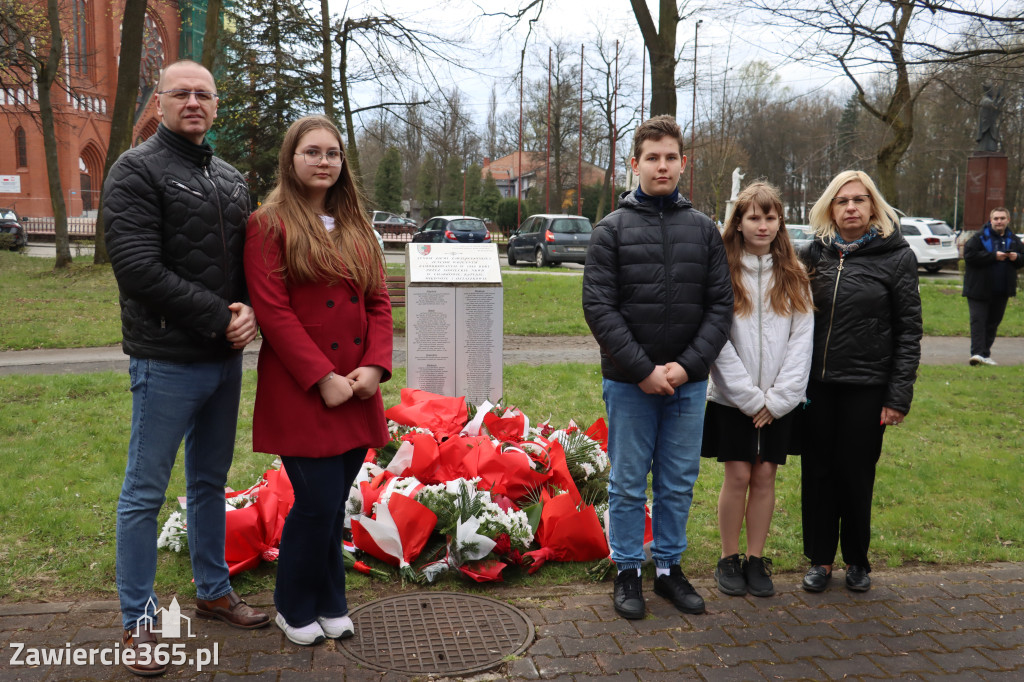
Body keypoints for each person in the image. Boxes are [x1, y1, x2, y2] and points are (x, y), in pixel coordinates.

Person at [104, 59, 269, 676]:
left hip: (222, 361)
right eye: (182, 93)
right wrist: (218, 316)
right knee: (143, 494)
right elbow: (137, 268)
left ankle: (213, 590)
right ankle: (139, 623)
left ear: (216, 105)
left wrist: (248, 309)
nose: (193, 102)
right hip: (168, 358)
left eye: (204, 93)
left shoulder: (228, 178)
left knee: (209, 482)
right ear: (160, 102)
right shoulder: (135, 171)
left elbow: (245, 265)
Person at [244, 115, 392, 646]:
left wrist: (374, 367)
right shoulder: (268, 223)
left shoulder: (355, 224)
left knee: (334, 502)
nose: (324, 161)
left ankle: (331, 601)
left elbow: (378, 301)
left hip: (357, 388)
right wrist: (321, 377)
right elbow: (274, 311)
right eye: (313, 152)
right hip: (303, 390)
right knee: (316, 502)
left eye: (332, 153)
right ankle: (292, 605)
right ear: (291, 158)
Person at [583, 115, 733, 620]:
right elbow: (600, 309)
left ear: (683, 163)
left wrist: (686, 368)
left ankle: (668, 568)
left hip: (687, 385)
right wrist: (645, 370)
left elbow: (720, 307)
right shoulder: (611, 231)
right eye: (652, 157)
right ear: (635, 164)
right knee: (627, 482)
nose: (662, 165)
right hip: (629, 383)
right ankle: (628, 571)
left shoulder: (704, 232)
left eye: (671, 157)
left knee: (676, 482)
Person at [798, 170, 922, 594]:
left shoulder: (897, 256)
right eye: (841, 200)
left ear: (873, 207)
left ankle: (857, 560)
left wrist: (898, 396)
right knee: (817, 473)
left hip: (868, 387)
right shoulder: (813, 255)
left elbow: (909, 330)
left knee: (855, 473)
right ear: (829, 208)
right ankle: (819, 560)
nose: (850, 207)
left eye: (859, 200)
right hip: (816, 386)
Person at [702, 182, 814, 598]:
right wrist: (749, 398)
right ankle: (728, 558)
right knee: (738, 473)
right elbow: (717, 339)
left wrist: (780, 399)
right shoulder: (724, 272)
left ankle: (755, 559)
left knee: (765, 474)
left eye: (770, 217)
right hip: (734, 398)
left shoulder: (795, 274)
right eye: (754, 217)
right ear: (739, 221)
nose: (762, 225)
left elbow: (802, 340)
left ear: (780, 221)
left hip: (780, 401)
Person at [962, 207, 1023, 366]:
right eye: (996, 218)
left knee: (993, 323)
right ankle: (976, 354)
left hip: (1001, 290)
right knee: (978, 321)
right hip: (978, 290)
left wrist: (1017, 257)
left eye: (1002, 218)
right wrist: (993, 256)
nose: (999, 221)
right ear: (991, 220)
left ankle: (985, 354)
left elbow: (1022, 259)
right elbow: (969, 256)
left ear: (1008, 220)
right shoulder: (980, 238)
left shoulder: (1013, 239)